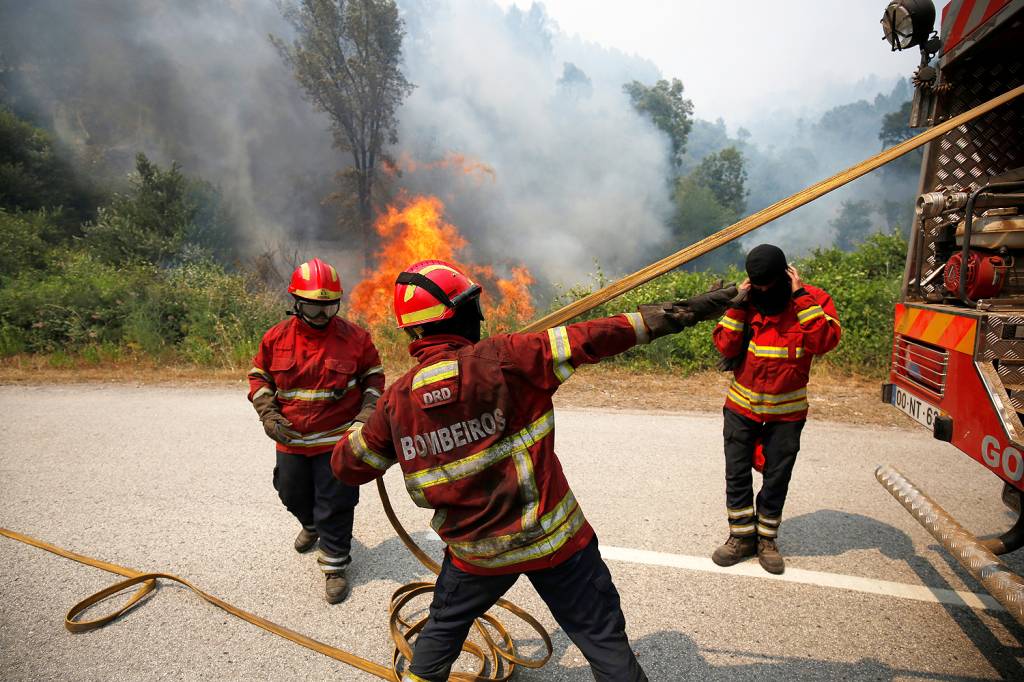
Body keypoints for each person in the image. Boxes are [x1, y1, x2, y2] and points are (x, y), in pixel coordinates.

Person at [331, 259, 738, 682]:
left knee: (440, 636)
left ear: (414, 331)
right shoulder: (508, 358)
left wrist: (367, 416)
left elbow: (349, 466)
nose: (482, 316)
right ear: (459, 315)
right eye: (473, 306)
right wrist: (681, 312)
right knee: (604, 644)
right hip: (555, 545)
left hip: (477, 557)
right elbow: (596, 335)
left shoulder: (397, 401)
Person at [247, 257, 385, 603]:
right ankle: (310, 526)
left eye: (329, 306)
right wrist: (267, 414)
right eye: (314, 306)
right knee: (290, 492)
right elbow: (259, 378)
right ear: (297, 302)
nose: (322, 314)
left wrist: (366, 415)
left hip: (336, 440)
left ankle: (335, 566)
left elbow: (374, 380)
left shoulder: (356, 339)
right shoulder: (276, 338)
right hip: (291, 439)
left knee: (336, 501)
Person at [711, 244, 841, 574]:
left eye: (771, 285)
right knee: (736, 474)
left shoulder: (812, 299)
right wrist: (738, 305)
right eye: (759, 286)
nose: (765, 291)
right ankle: (740, 538)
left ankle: (766, 540)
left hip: (787, 413)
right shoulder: (747, 299)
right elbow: (726, 345)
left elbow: (824, 341)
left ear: (786, 275)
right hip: (742, 407)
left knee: (777, 477)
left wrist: (799, 299)